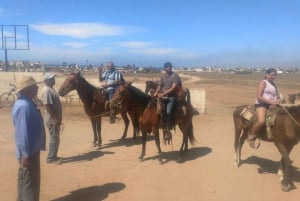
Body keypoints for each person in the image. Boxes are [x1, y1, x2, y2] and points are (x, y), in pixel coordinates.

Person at [12, 76, 46, 201]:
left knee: (25, 183)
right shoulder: (24, 106)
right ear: (27, 89)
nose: (37, 88)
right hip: (29, 154)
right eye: (34, 86)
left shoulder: (27, 103)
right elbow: (22, 133)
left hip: (29, 152)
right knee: (30, 186)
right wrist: (25, 155)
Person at [248, 68, 281, 148]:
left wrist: (278, 99)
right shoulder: (263, 83)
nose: (273, 76)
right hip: (261, 104)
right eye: (272, 75)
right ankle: (251, 135)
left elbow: (277, 95)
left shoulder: (273, 84)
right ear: (266, 75)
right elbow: (259, 97)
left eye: (275, 75)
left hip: (272, 105)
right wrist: (271, 102)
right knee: (261, 121)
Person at [154, 62, 182, 132]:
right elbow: (159, 85)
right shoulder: (163, 77)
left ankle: (168, 126)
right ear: (164, 68)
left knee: (168, 112)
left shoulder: (175, 76)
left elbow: (173, 87)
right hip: (162, 96)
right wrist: (156, 92)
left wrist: (163, 94)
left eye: (169, 66)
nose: (168, 67)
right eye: (167, 66)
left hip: (171, 97)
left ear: (171, 67)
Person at [41, 72, 63, 164]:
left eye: (53, 78)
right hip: (52, 119)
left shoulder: (51, 89)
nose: (54, 80)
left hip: (55, 119)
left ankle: (54, 155)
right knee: (54, 138)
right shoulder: (46, 90)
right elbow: (46, 105)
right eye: (52, 78)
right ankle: (51, 158)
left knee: (56, 137)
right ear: (47, 80)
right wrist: (54, 117)